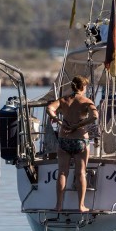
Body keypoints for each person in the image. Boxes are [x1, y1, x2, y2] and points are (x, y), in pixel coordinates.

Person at [46, 75, 98, 212]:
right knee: (81, 173)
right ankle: (81, 206)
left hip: (64, 140)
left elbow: (49, 108)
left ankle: (58, 205)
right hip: (80, 140)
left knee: (62, 172)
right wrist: (80, 124)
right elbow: (95, 116)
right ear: (83, 87)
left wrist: (59, 121)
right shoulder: (86, 101)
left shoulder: (63, 100)